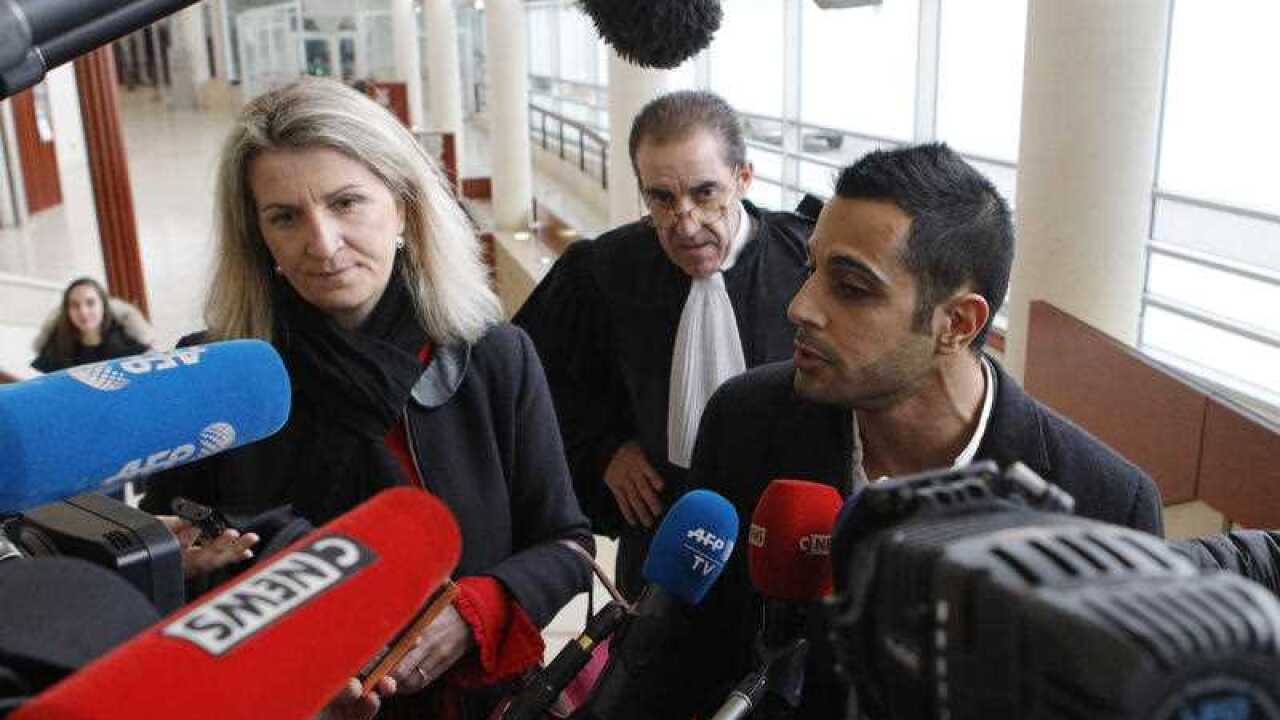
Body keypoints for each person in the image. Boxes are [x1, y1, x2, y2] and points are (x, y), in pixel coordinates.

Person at [138, 78, 593, 720]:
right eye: (285, 217)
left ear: (403, 205)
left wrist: (474, 612)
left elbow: (567, 546)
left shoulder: (493, 355)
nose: (322, 245)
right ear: (257, 234)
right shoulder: (216, 374)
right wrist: (185, 561)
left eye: (346, 203)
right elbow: (167, 545)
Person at [672, 143, 1165, 718]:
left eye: (851, 288)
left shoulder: (1105, 506)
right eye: (812, 268)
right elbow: (689, 659)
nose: (800, 306)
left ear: (957, 322)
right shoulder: (745, 422)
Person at [513, 90, 818, 598]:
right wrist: (604, 449)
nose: (685, 222)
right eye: (662, 198)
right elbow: (532, 380)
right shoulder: (603, 272)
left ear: (743, 177)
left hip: (787, 540)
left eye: (705, 194)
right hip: (662, 536)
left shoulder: (807, 265)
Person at [30, 277, 153, 372]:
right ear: (67, 311)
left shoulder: (132, 346)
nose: (83, 311)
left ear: (104, 305)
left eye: (90, 303)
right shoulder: (54, 351)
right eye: (74, 305)